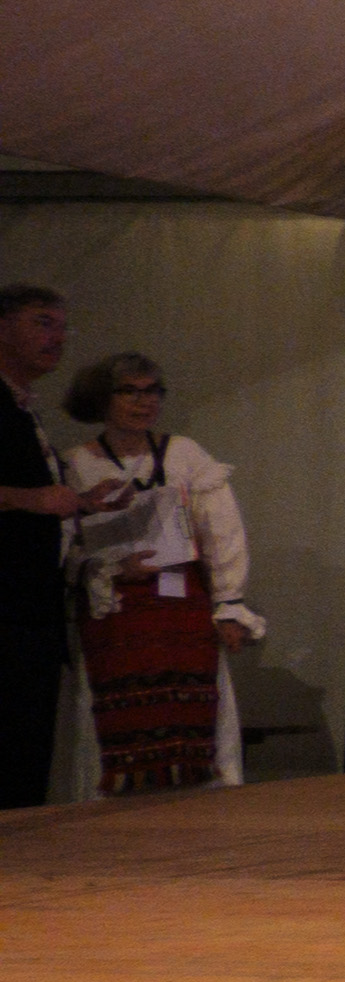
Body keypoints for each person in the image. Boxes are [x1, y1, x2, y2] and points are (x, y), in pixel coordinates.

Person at [58, 353, 262, 794]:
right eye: (129, 390)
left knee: (199, 714)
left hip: (181, 608)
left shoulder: (185, 453)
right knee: (110, 719)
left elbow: (223, 531)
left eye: (152, 390)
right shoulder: (76, 465)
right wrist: (111, 567)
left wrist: (230, 603)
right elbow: (65, 547)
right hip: (112, 613)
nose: (143, 401)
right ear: (102, 398)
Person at [1, 285, 130, 809]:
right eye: (42, 323)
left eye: (62, 327)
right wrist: (32, 497)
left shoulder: (20, 408)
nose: (57, 338)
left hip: (28, 612)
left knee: (24, 754)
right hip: (7, 613)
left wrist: (79, 502)